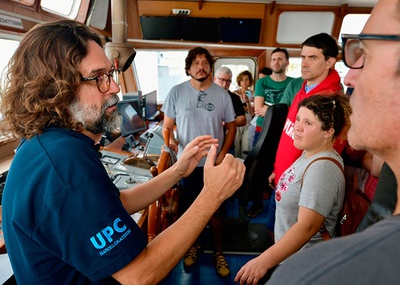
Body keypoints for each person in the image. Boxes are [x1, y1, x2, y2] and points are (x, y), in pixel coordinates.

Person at [0, 21, 246, 284]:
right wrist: (212, 195)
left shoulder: (48, 143)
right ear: (57, 89)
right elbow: (140, 275)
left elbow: (117, 203)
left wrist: (178, 171)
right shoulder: (65, 164)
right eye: (98, 78)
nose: (115, 88)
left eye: (110, 75)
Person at [268, 0, 400, 283]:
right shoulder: (303, 89)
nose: (351, 75)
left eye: (365, 53)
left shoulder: (309, 275)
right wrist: (281, 171)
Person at [235, 93, 351, 284]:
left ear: (328, 131)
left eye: (308, 123)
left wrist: (264, 261)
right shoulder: (309, 153)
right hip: (291, 259)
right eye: (298, 119)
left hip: (307, 266)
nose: (297, 126)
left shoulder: (322, 168)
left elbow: (308, 226)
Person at [161, 47, 237, 277]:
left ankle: (218, 252)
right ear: (188, 68)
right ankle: (192, 247)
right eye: (195, 63)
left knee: (216, 212)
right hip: (188, 165)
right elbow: (167, 126)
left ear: (210, 69)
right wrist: (171, 140)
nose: (200, 66)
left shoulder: (223, 95)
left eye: (205, 63)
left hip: (213, 164)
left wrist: (223, 152)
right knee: (189, 211)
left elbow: (231, 126)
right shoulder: (176, 92)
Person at [265, 33, 344, 230]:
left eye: (313, 57)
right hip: (284, 177)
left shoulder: (330, 102)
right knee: (274, 232)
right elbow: (289, 133)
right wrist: (278, 169)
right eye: (303, 57)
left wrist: (292, 179)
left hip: (299, 189)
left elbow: (325, 153)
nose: (305, 63)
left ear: (330, 62)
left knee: (289, 243)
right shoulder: (303, 89)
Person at [247, 47, 294, 217]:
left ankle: (278, 203)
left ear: (287, 62)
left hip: (285, 132)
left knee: (282, 166)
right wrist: (281, 110)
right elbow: (258, 109)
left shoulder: (293, 83)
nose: (276, 62)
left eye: (280, 59)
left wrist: (271, 109)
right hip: (263, 129)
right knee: (258, 167)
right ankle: (256, 202)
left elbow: (293, 111)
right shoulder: (263, 82)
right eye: (274, 59)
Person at [214, 66, 246, 155]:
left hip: (227, 144)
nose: (225, 84)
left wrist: (226, 123)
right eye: (222, 80)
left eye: (228, 81)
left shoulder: (234, 98)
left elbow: (242, 120)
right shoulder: (205, 96)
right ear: (215, 79)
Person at [233, 70, 255, 158]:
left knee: (245, 148)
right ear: (239, 81)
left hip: (249, 122)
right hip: (237, 123)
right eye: (242, 80)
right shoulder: (234, 94)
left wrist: (248, 102)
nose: (244, 82)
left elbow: (252, 112)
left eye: (246, 79)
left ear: (250, 81)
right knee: (236, 146)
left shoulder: (253, 94)